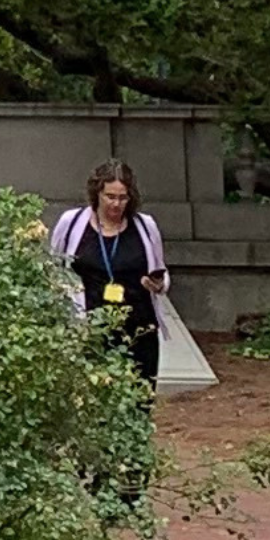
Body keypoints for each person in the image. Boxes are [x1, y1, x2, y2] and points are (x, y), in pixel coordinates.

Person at [49, 162, 174, 397]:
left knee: (140, 399)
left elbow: (160, 271)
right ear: (97, 193)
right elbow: (54, 267)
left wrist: (158, 284)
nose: (116, 204)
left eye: (123, 197)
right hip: (91, 329)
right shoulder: (72, 223)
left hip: (139, 328)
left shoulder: (145, 226)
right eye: (110, 196)